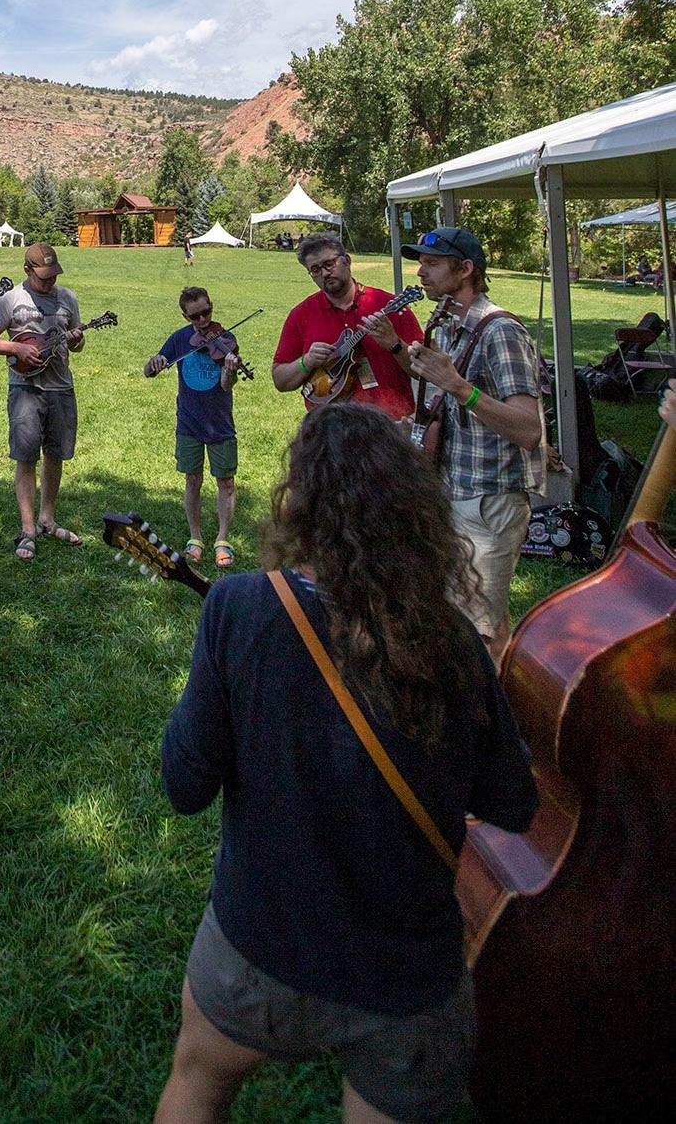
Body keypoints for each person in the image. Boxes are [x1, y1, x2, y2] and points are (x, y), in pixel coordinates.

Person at [156, 404, 538, 1124]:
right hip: (405, 979)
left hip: (257, 949)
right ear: (412, 508)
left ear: (297, 500)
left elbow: (184, 785)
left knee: (198, 1086)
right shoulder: (455, 641)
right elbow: (514, 805)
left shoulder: (239, 607)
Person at [405, 226, 546, 665]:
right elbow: (445, 408)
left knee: (478, 634)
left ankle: (486, 723)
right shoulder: (449, 325)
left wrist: (458, 387)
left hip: (490, 501)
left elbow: (528, 429)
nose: (421, 272)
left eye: (432, 263)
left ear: (465, 269)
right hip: (454, 491)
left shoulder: (500, 331)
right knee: (473, 620)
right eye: (421, 262)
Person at [0, 242, 85, 559]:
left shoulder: (67, 298)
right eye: (43, 277)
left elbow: (77, 345)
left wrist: (78, 340)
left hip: (60, 387)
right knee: (26, 455)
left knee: (56, 454)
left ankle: (47, 519)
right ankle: (28, 529)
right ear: (27, 270)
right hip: (24, 388)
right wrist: (16, 349)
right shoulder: (11, 300)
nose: (49, 282)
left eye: (53, 275)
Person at [272, 231, 423, 418]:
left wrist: (395, 345)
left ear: (347, 260)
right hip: (329, 430)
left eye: (329, 264)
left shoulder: (388, 305)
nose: (325, 273)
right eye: (316, 270)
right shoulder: (301, 315)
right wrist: (306, 361)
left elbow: (425, 373)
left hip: (391, 426)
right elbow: (280, 380)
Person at [144, 287, 240, 568]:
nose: (202, 321)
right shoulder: (179, 339)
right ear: (185, 315)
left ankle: (222, 539)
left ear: (212, 305)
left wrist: (231, 371)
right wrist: (154, 363)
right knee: (192, 479)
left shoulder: (227, 340)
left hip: (220, 422)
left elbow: (225, 385)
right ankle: (195, 537)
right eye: (194, 317)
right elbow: (149, 371)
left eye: (206, 313)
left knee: (226, 482)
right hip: (188, 421)